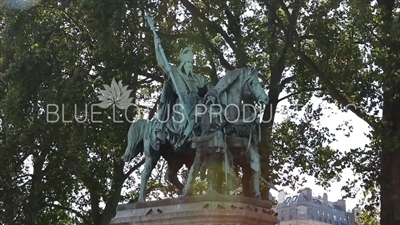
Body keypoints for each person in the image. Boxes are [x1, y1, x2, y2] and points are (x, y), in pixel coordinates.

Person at [146, 17, 212, 150]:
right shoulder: (174, 72)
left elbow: (209, 86)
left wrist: (212, 93)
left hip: (197, 102)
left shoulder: (198, 78)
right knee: (185, 107)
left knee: (210, 111)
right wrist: (156, 43)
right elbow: (162, 62)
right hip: (181, 103)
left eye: (191, 63)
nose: (190, 65)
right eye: (187, 62)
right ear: (182, 63)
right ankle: (182, 137)